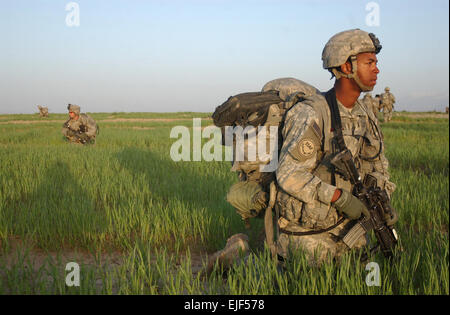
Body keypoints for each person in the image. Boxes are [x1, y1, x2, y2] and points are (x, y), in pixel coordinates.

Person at [275, 29, 397, 264]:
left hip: (349, 228)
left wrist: (383, 198)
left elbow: (378, 165)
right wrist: (339, 197)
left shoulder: (366, 115)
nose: (376, 69)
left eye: (376, 62)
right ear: (346, 67)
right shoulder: (311, 113)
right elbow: (289, 174)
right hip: (309, 233)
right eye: (368, 62)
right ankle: (236, 254)